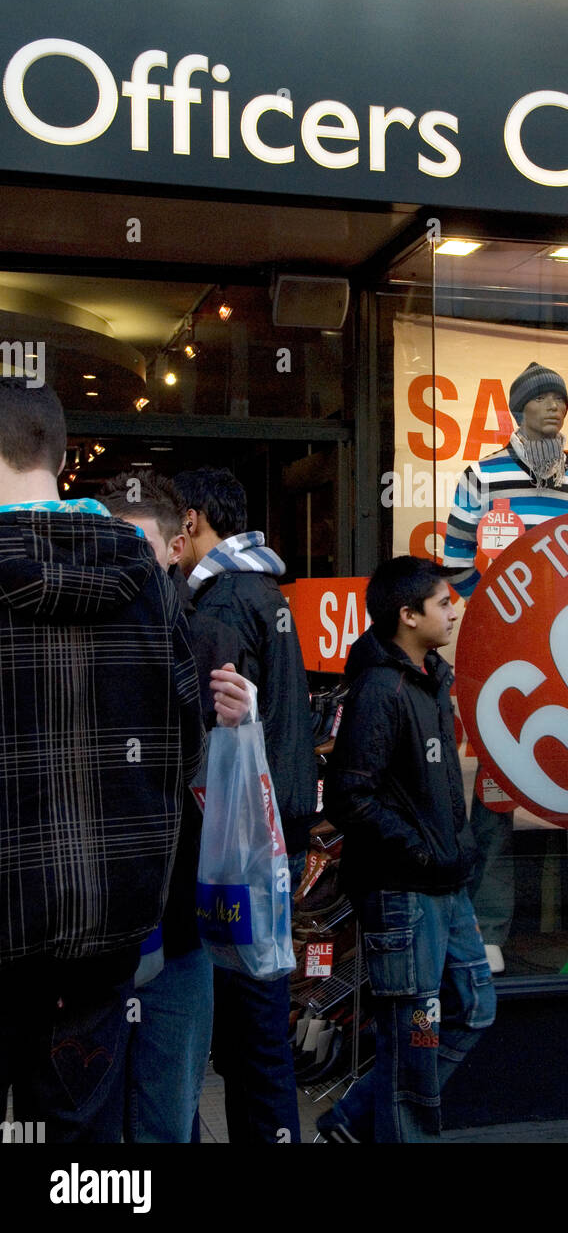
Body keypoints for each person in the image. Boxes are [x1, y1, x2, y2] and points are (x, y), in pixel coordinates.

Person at [0, 379, 203, 1142]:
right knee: (85, 1152)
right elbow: (186, 746)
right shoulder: (148, 582)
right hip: (101, 942)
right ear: (55, 456)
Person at [442, 361, 568, 971]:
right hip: (507, 655)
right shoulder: (482, 478)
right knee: (498, 784)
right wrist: (506, 612)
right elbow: (458, 565)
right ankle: (488, 926)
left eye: (560, 401)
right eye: (541, 400)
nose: (554, 409)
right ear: (517, 409)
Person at [320, 557, 496, 1143]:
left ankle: (351, 1120)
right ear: (408, 615)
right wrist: (423, 852)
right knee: (414, 1039)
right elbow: (350, 796)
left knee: (473, 1009)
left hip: (444, 889)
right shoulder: (381, 687)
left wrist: (455, 850)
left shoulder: (428, 679)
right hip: (405, 897)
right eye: (444, 602)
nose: (454, 610)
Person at [101, 471, 253, 1143]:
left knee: (164, 1116)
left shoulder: (207, 640)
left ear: (175, 546)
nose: (128, 560)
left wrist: (238, 735)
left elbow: (231, 799)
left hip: (179, 928)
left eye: (140, 544)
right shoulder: (70, 645)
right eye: (114, 543)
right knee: (97, 1122)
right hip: (89, 935)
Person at [173, 466, 316, 1144]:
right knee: (260, 1020)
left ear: (193, 520)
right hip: (279, 827)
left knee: (249, 1026)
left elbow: (214, 733)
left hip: (243, 840)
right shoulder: (265, 589)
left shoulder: (223, 602)